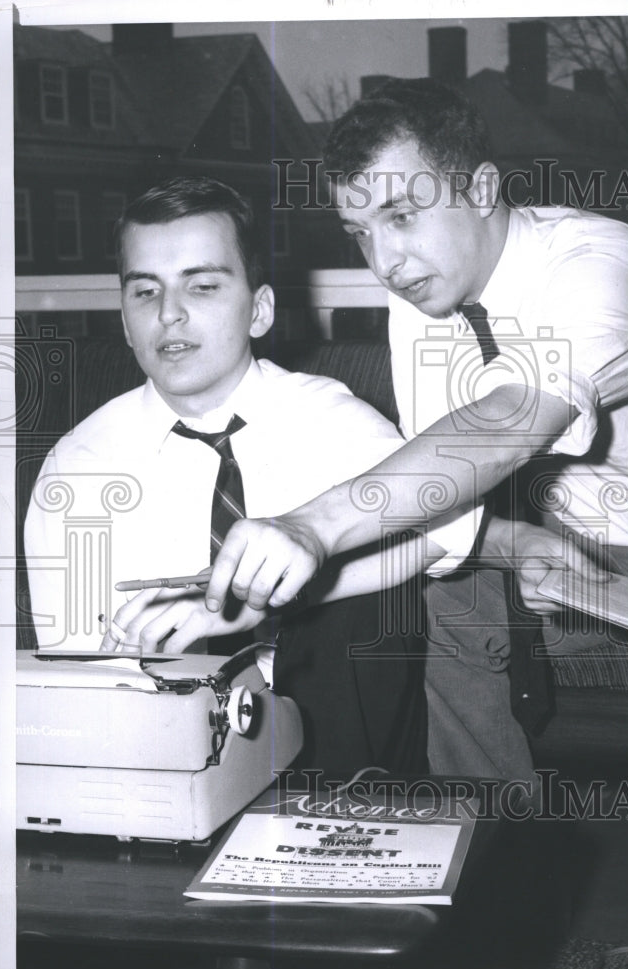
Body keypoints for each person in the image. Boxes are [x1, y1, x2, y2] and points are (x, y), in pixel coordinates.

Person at [197, 78, 628, 777]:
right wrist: (514, 542)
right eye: (360, 234)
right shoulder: (422, 305)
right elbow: (445, 491)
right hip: (588, 554)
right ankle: (491, 851)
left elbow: (507, 420)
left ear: (482, 189)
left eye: (402, 216)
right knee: (416, 602)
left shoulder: (601, 267)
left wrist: (311, 527)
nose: (384, 263)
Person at [25, 175, 438, 773]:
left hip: (334, 737)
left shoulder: (333, 420)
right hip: (165, 740)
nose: (170, 314)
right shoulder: (78, 469)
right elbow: (73, 677)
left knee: (360, 608)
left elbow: (436, 539)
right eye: (145, 292)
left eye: (204, 285)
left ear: (260, 309)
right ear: (123, 318)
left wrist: (265, 603)